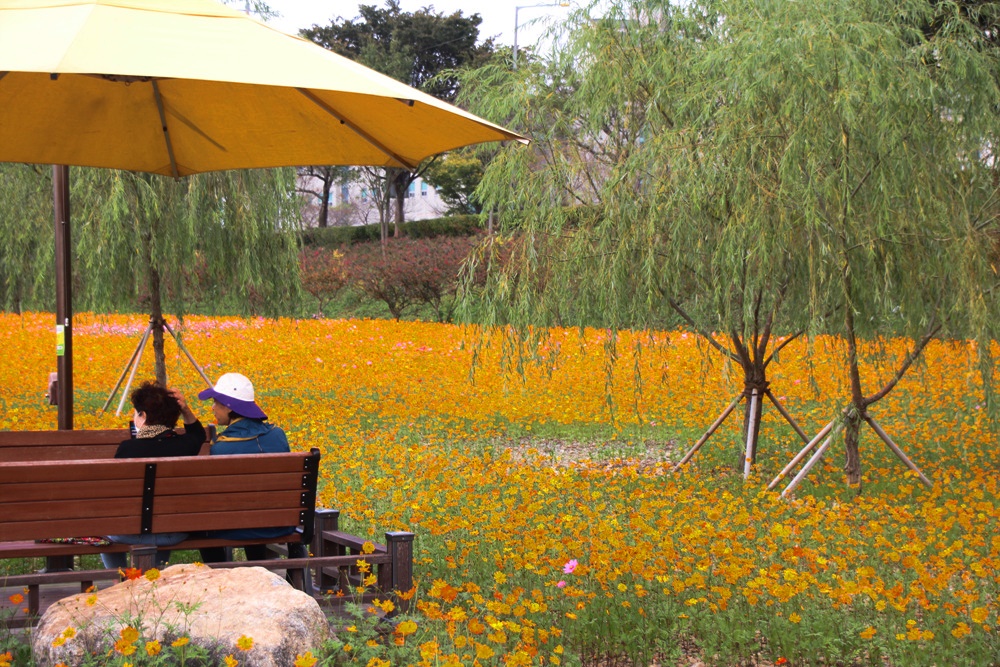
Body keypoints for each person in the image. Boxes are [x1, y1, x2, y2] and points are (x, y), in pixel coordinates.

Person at [196, 372, 303, 562]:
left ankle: (219, 571)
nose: (212, 408)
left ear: (229, 406)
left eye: (215, 402)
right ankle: (259, 565)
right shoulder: (278, 435)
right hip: (280, 524)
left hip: (237, 527)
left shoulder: (221, 448)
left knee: (203, 526)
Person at [101, 382, 206, 570]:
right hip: (173, 532)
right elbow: (198, 433)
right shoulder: (186, 445)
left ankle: (119, 579)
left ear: (143, 415)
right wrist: (185, 409)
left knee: (104, 526)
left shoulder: (128, 449)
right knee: (161, 520)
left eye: (136, 413)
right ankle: (154, 573)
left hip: (129, 533)